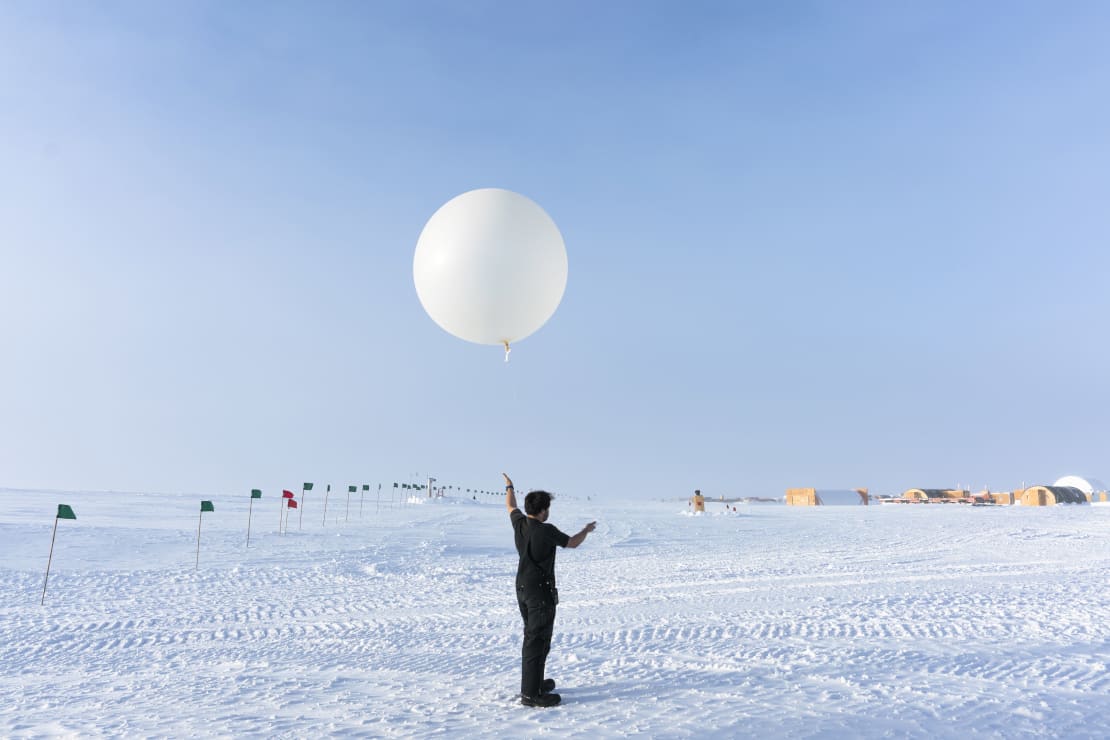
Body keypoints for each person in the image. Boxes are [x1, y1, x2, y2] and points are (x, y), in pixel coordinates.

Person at [504, 472, 596, 708]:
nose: (549, 512)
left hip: (523, 588)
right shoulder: (545, 530)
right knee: (537, 640)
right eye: (548, 508)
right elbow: (572, 543)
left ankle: (535, 684)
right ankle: (530, 695)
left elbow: (510, 505)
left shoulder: (520, 523)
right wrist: (586, 530)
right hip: (540, 593)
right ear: (543, 510)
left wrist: (509, 486)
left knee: (535, 638)